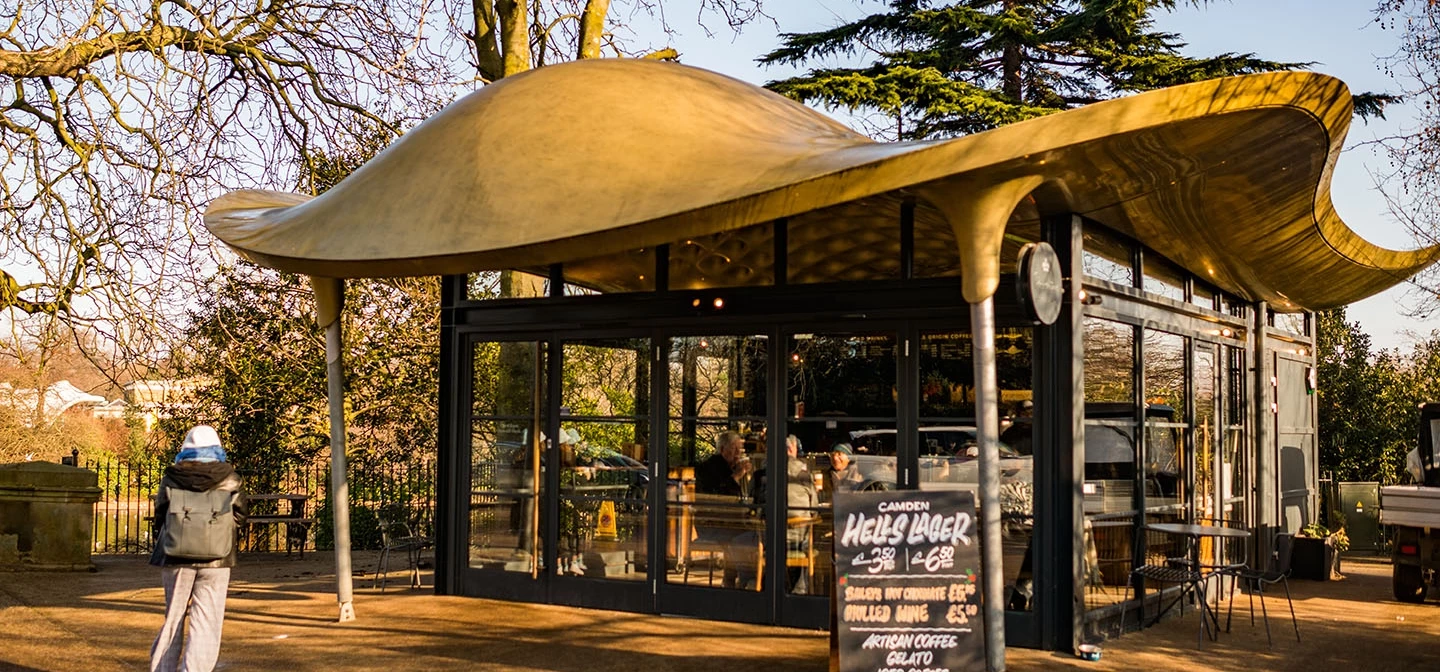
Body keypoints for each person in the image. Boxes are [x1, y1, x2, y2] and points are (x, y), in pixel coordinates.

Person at [149, 425, 247, 672]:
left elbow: (160, 514)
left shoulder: (172, 477)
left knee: (173, 617)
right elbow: (240, 516)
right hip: (217, 557)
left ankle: (162, 668)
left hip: (175, 555)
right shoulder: (231, 478)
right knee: (207, 620)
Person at [694, 431, 758, 588]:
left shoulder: (731, 467)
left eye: (740, 449)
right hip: (710, 524)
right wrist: (736, 476)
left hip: (728, 520)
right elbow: (716, 497)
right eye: (734, 449)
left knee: (752, 533)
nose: (738, 453)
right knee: (741, 537)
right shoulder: (708, 468)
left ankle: (740, 578)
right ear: (722, 449)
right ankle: (743, 578)